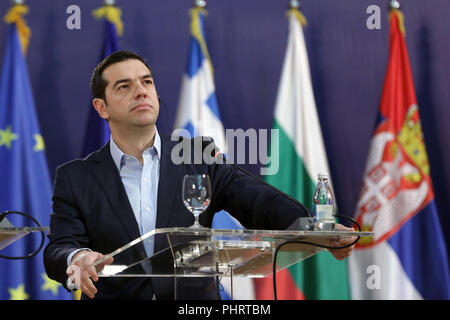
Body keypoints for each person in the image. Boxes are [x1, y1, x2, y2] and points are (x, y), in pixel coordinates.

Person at [43, 50, 356, 300]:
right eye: (124, 86)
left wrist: (310, 228)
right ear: (102, 107)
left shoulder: (197, 156)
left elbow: (257, 199)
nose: (141, 91)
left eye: (147, 82)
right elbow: (59, 247)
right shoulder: (76, 177)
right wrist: (78, 256)